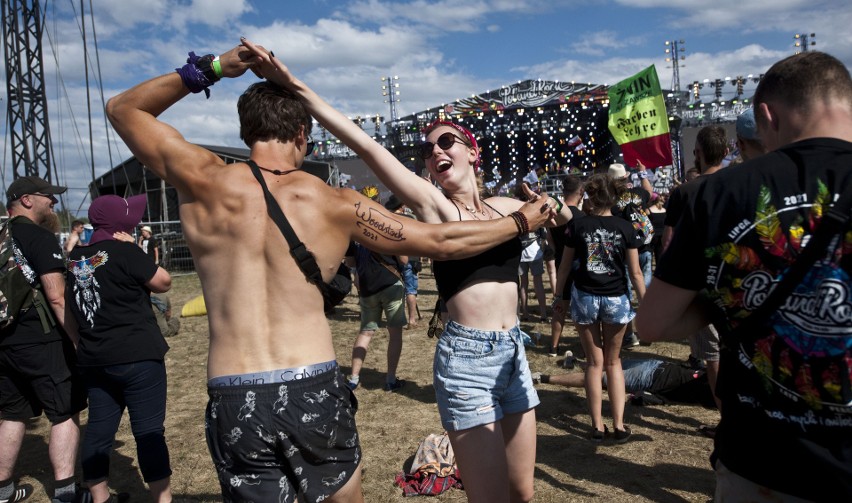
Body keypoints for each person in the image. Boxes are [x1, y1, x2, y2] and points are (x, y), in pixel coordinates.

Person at [105, 39, 556, 503]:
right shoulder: (335, 202)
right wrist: (520, 222)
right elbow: (440, 240)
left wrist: (216, 67)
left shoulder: (200, 176)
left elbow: (123, 109)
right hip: (311, 384)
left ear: (246, 131)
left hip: (233, 390)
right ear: (303, 132)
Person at [262, 43, 570, 503]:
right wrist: (294, 86)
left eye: (446, 142)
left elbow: (567, 220)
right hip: (468, 362)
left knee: (523, 493)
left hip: (513, 355)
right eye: (428, 150)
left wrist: (552, 205)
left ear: (472, 151)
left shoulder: (506, 208)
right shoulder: (434, 205)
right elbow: (363, 143)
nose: (435, 152)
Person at [637, 51, 852, 501]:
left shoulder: (718, 193)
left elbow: (653, 325)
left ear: (766, 116)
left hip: (767, 463)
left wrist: (731, 294)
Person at [66, 194, 174, 503]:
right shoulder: (124, 250)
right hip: (138, 355)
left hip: (95, 358)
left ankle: (99, 498)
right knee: (149, 431)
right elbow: (163, 282)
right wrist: (133, 248)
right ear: (118, 223)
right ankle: (161, 499)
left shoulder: (76, 258)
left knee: (99, 430)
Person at [0, 176, 87, 503]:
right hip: (42, 340)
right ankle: (66, 493)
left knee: (12, 413)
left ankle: (3, 491)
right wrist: (77, 340)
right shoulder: (38, 236)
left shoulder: (2, 235)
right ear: (25, 200)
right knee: (64, 413)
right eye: (48, 196)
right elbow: (56, 296)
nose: (54, 202)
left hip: (4, 340)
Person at [553, 173, 645, 443]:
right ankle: (618, 425)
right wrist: (646, 302)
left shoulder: (578, 226)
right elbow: (636, 272)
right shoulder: (626, 227)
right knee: (614, 362)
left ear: (590, 196)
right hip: (616, 297)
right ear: (614, 197)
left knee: (594, 363)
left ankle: (597, 426)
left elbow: (565, 265)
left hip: (585, 297)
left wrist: (559, 295)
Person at [661, 125, 729, 419]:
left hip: (699, 286)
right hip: (738, 281)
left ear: (697, 154)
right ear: (727, 152)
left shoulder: (683, 192)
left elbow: (668, 242)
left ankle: (726, 420)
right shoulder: (743, 182)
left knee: (712, 355)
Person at [532, 358, 714, 408]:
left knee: (601, 371)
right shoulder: (715, 392)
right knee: (598, 375)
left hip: (656, 369)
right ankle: (545, 377)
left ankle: (549, 376)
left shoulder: (713, 387)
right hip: (652, 373)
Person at [346, 242, 406, 392]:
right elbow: (404, 260)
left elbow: (350, 262)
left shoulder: (354, 227)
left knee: (365, 332)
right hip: (390, 282)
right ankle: (390, 379)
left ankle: (354, 377)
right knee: (395, 333)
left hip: (368, 286)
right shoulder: (389, 224)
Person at [608, 162, 654, 348]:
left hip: (626, 251)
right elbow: (649, 192)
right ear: (626, 177)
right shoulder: (637, 193)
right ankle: (649, 331)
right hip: (645, 246)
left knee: (625, 293)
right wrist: (643, 173)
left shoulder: (611, 201)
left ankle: (630, 335)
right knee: (645, 292)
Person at [548, 175, 585, 357]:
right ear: (581, 192)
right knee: (581, 311)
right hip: (579, 267)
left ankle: (554, 347)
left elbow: (551, 243)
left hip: (560, 261)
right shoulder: (582, 217)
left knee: (559, 308)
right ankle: (587, 348)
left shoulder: (555, 217)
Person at [385, 195, 421, 329]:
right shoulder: (411, 218)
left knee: (396, 289)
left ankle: (396, 318)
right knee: (410, 290)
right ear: (402, 206)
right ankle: (411, 320)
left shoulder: (389, 219)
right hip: (411, 258)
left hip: (392, 260)